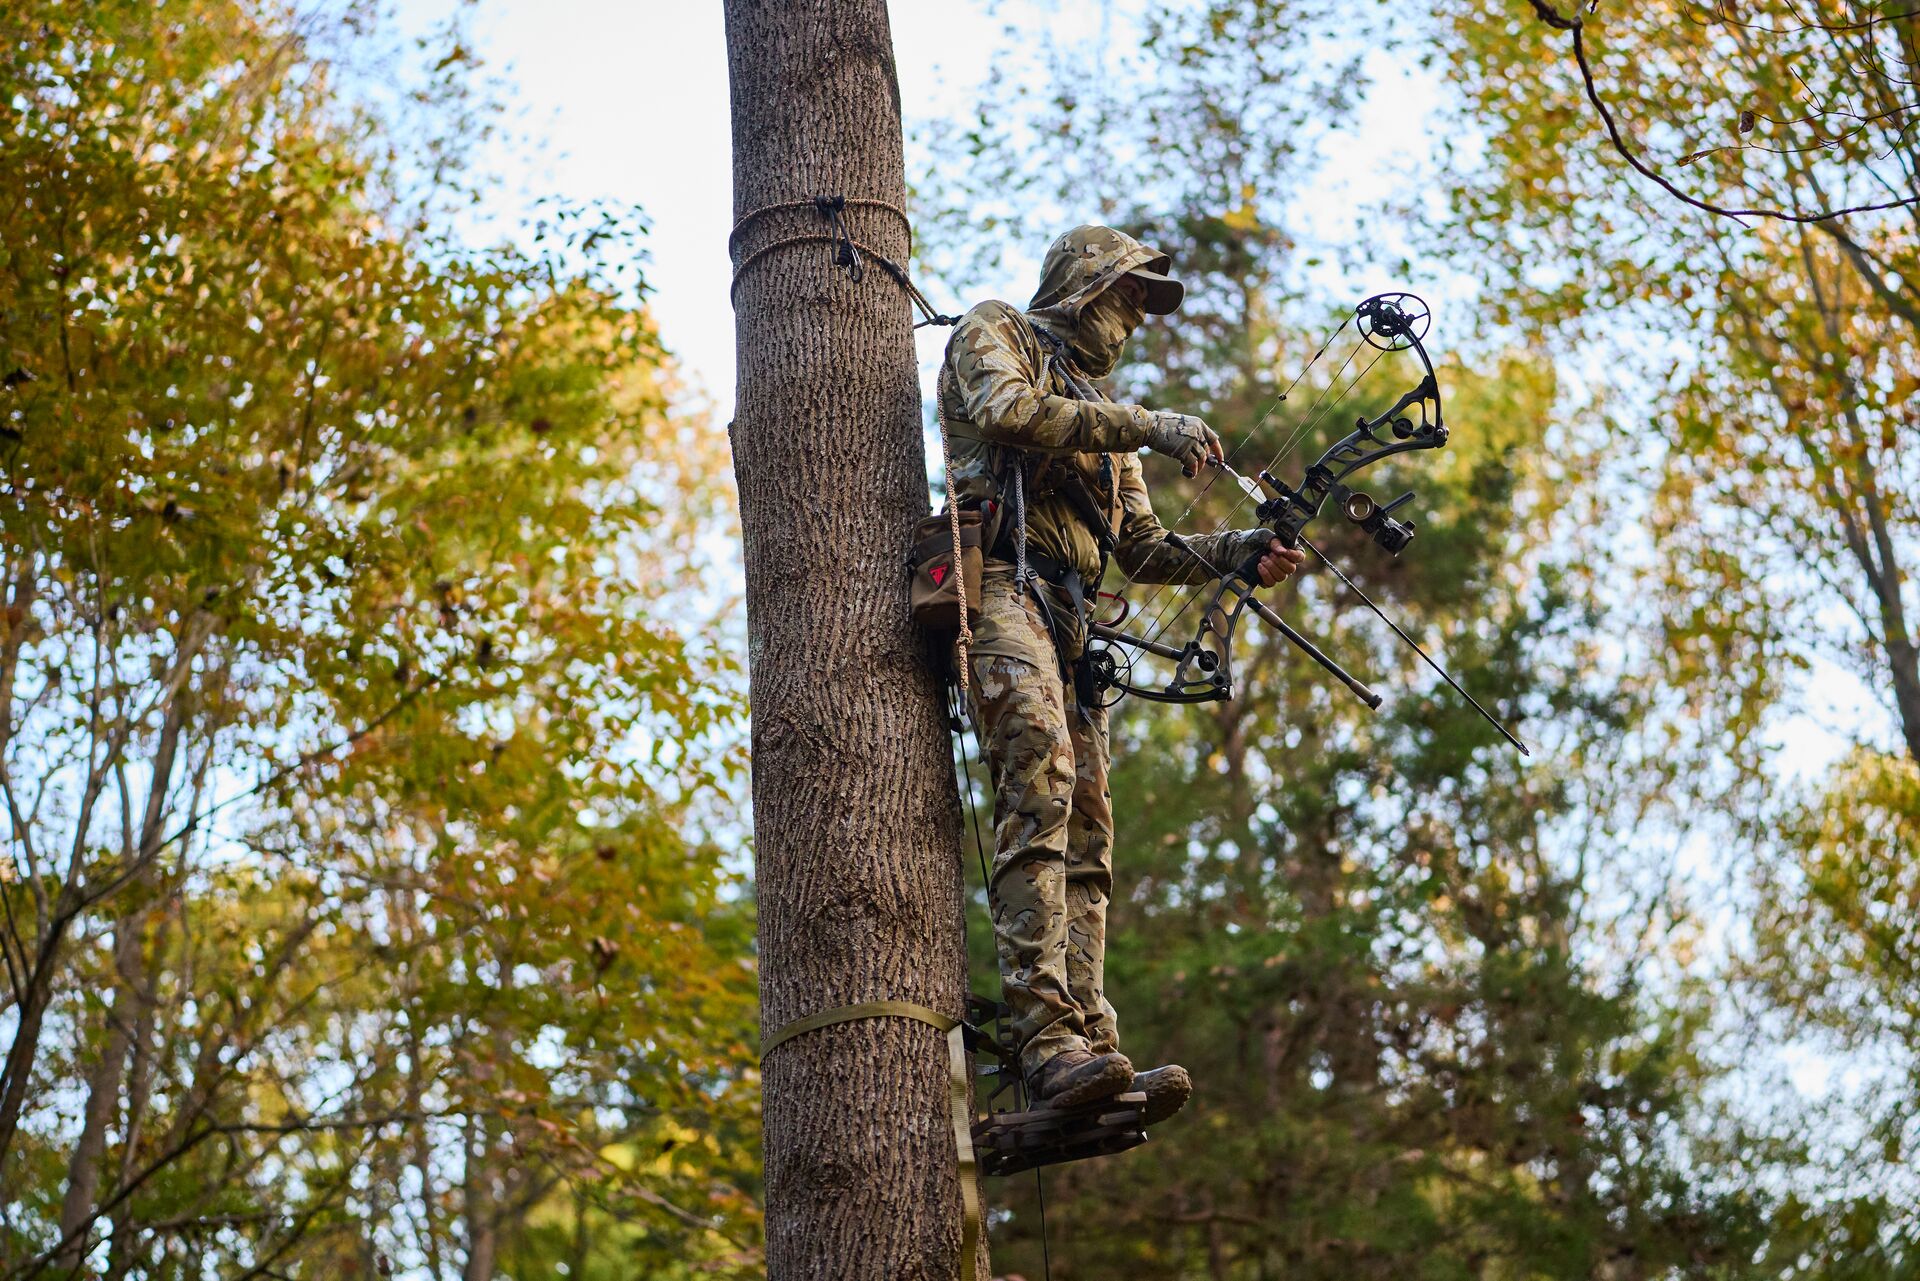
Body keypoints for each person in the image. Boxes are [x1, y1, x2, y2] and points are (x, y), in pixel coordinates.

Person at [938, 225, 1304, 1122]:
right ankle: (1041, 1033)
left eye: (1145, 306)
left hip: (1070, 619)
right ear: (1083, 286)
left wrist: (1238, 551)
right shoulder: (997, 332)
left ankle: (1091, 1044)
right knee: (1040, 771)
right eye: (1128, 297)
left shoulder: (1114, 430)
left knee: (1092, 832)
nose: (1136, 320)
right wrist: (1151, 423)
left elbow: (1139, 549)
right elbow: (1005, 411)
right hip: (997, 585)